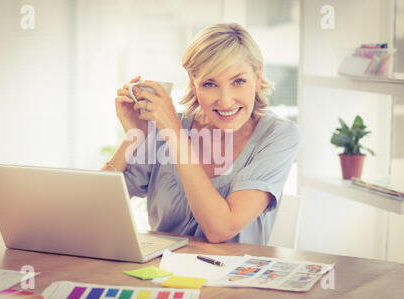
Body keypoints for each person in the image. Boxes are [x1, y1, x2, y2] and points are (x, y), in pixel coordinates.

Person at [101, 23, 300, 245]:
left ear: (258, 76)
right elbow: (97, 207)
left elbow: (220, 229)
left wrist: (174, 134)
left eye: (238, 81)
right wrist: (134, 136)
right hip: (162, 274)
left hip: (233, 275)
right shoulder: (168, 126)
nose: (225, 101)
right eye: (209, 83)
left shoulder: (278, 135)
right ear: (193, 85)